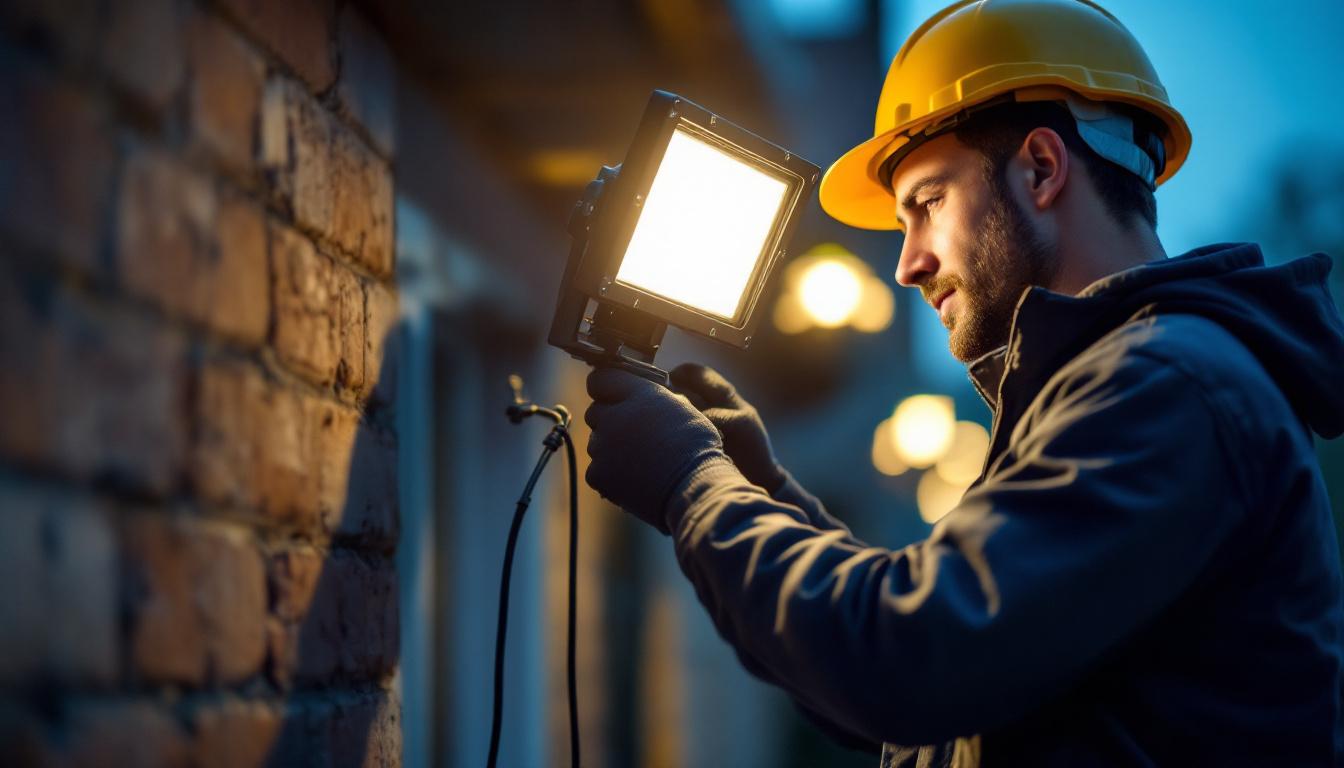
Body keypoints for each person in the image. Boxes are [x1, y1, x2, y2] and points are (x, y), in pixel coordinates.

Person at [582, 0, 1344, 764]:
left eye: (926, 203)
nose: (908, 263)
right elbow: (939, 705)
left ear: (1041, 169)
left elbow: (908, 663)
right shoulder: (1119, 390)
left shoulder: (1167, 387)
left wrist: (695, 483)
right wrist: (766, 492)